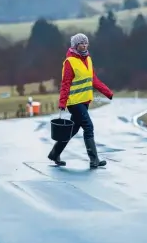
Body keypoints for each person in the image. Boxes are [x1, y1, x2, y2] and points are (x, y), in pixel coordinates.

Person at [48, 33, 113, 169]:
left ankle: (55, 154)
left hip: (84, 102)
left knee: (72, 130)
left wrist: (107, 92)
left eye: (86, 43)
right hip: (74, 102)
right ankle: (94, 160)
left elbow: (93, 79)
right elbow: (65, 84)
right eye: (81, 43)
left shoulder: (88, 59)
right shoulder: (69, 62)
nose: (84, 45)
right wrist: (62, 103)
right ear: (75, 45)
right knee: (88, 127)